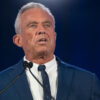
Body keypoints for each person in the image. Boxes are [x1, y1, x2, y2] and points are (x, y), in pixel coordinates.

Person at [0, 2, 100, 100]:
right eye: (33, 25)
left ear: (54, 36)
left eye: (47, 25)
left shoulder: (87, 82)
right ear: (18, 40)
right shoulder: (3, 83)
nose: (42, 30)